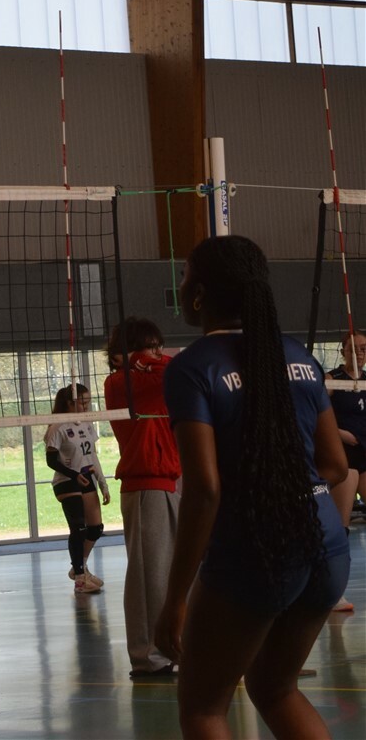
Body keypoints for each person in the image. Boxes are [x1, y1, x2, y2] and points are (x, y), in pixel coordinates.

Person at [156, 235, 352, 740]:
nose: (182, 287)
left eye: (184, 276)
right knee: (275, 688)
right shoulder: (299, 355)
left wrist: (175, 598)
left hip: (256, 550)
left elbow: (205, 489)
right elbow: (335, 465)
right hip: (326, 544)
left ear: (200, 294)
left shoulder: (192, 368)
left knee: (203, 708)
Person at [105, 316, 181, 677]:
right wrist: (140, 360)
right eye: (147, 347)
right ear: (123, 354)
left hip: (176, 478)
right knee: (150, 574)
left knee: (179, 572)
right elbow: (170, 370)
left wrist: (144, 358)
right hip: (146, 483)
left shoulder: (153, 377)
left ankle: (179, 646)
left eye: (157, 346)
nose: (155, 353)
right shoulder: (119, 383)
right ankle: (149, 657)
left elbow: (178, 371)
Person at [44, 383, 110, 594]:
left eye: (88, 402)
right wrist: (74, 474)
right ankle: (80, 579)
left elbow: (93, 457)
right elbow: (51, 460)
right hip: (67, 480)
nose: (86, 406)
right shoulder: (57, 426)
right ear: (69, 403)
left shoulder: (87, 424)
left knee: (95, 528)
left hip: (86, 477)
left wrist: (103, 483)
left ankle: (79, 567)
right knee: (78, 529)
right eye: (82, 402)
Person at [326, 330, 365, 612]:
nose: (359, 353)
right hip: (345, 456)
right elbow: (318, 414)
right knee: (342, 527)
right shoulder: (332, 379)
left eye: (363, 348)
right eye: (353, 348)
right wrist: (340, 435)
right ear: (343, 351)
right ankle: (334, 591)